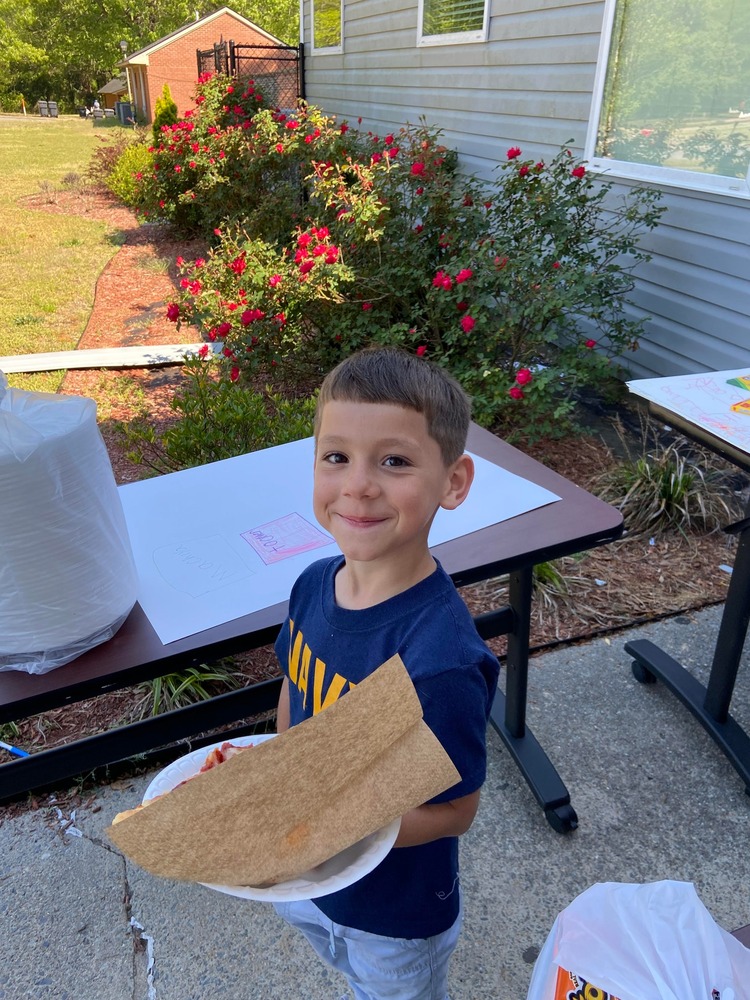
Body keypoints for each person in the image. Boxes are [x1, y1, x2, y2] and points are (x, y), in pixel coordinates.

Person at [273, 346, 500, 1000]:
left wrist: (334, 829)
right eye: (336, 457)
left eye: (394, 461)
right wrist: (284, 784)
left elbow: (456, 808)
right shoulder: (313, 585)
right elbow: (294, 680)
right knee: (335, 958)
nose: (359, 486)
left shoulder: (441, 660)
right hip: (308, 881)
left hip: (395, 913)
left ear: (453, 483)